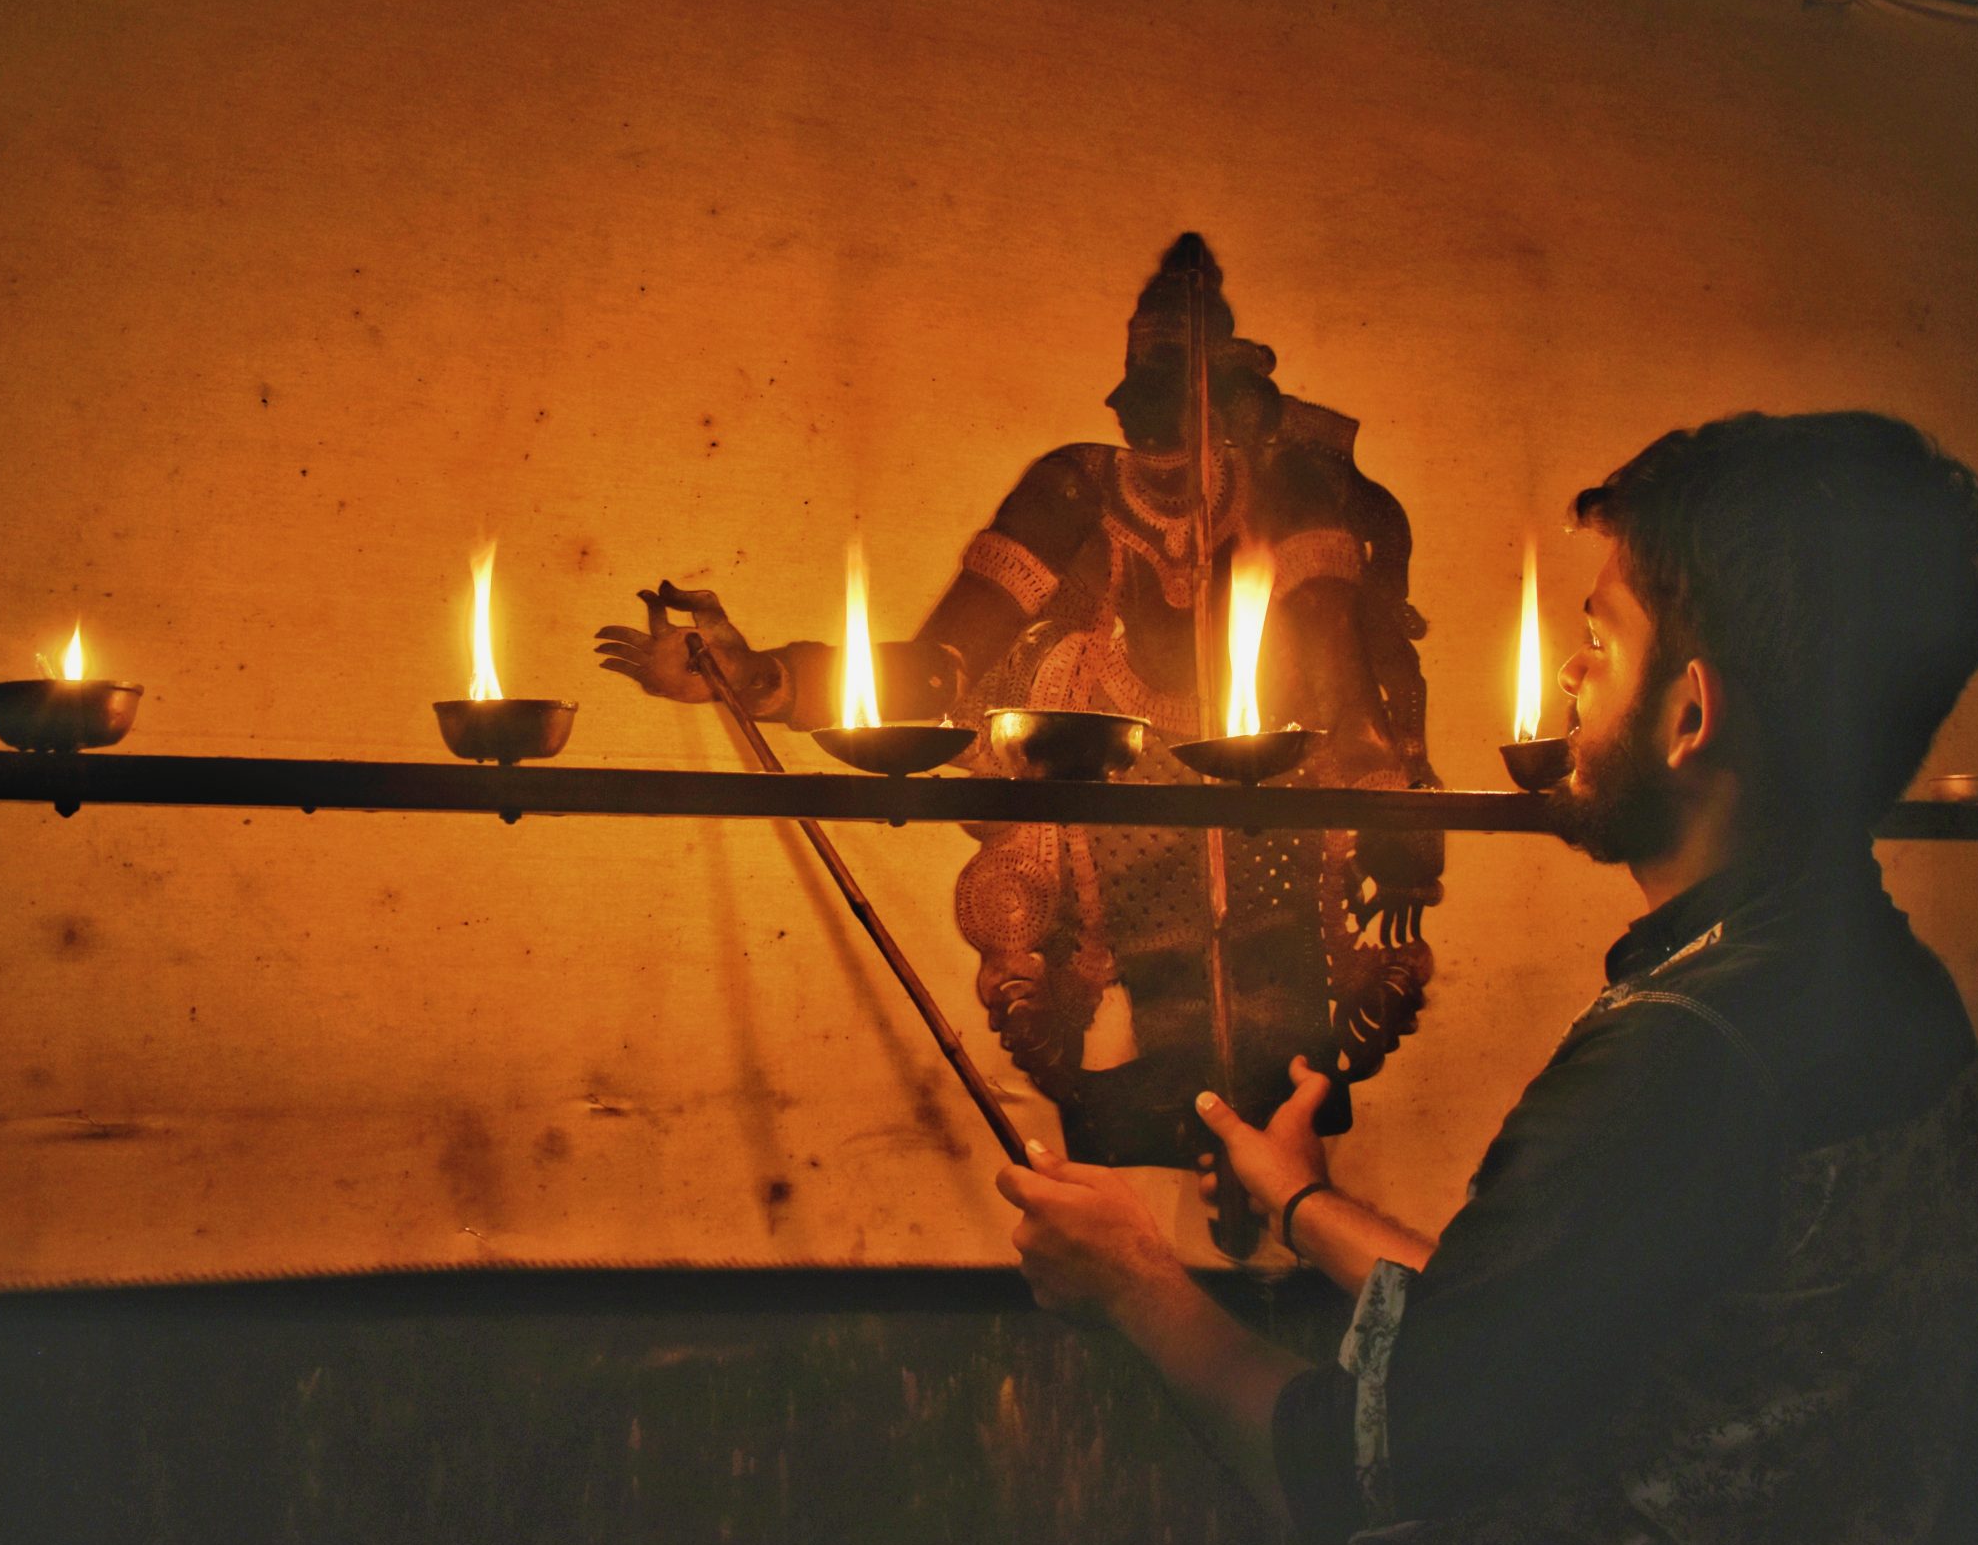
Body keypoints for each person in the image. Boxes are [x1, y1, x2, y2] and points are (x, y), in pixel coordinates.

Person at [997, 411, 1978, 1545]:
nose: (1572, 676)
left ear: (1690, 714)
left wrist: (1133, 1282)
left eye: (1602, 638)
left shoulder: (1686, 1050)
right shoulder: (1882, 984)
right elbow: (1560, 1319)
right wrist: (1301, 1206)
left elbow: (1358, 1470)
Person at [597, 235, 1440, 1177]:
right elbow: (938, 672)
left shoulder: (1291, 492)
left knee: (1283, 1094)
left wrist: (1397, 806)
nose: (1163, 449)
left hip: (1272, 848)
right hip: (1104, 861)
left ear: (1234, 404)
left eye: (1186, 409)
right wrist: (765, 679)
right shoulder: (1075, 489)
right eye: (1145, 409)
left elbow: (1346, 688)